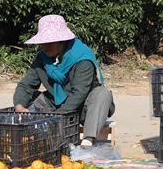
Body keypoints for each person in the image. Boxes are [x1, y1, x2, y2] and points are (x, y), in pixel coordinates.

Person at [13, 15, 114, 148]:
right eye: (43, 42)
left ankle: (88, 140)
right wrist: (19, 105)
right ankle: (29, 133)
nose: (45, 46)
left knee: (102, 94)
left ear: (62, 41)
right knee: (30, 98)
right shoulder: (42, 58)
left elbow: (79, 93)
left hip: (83, 109)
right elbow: (26, 85)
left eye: (50, 42)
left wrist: (57, 117)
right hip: (56, 105)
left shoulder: (82, 57)